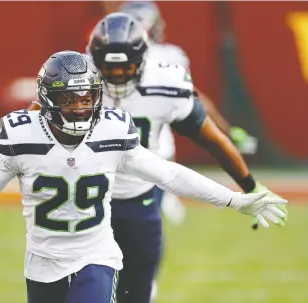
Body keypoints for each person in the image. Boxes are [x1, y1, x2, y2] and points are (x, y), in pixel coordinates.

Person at [0, 51, 286, 303]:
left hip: (95, 256)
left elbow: (168, 174)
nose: (81, 108)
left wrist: (236, 198)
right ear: (49, 99)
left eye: (87, 98)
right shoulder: (21, 136)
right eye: (70, 99)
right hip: (41, 262)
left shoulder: (113, 131)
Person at [84, 13, 286, 303]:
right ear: (94, 60)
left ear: (142, 60)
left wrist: (250, 184)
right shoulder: (77, 79)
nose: (117, 76)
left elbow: (213, 140)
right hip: (87, 202)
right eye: (109, 68)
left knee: (137, 293)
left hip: (139, 196)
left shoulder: (164, 83)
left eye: (125, 67)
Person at [118, 0, 259, 227]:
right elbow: (194, 99)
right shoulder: (169, 56)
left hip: (121, 152)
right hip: (155, 151)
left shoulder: (101, 60)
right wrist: (226, 129)